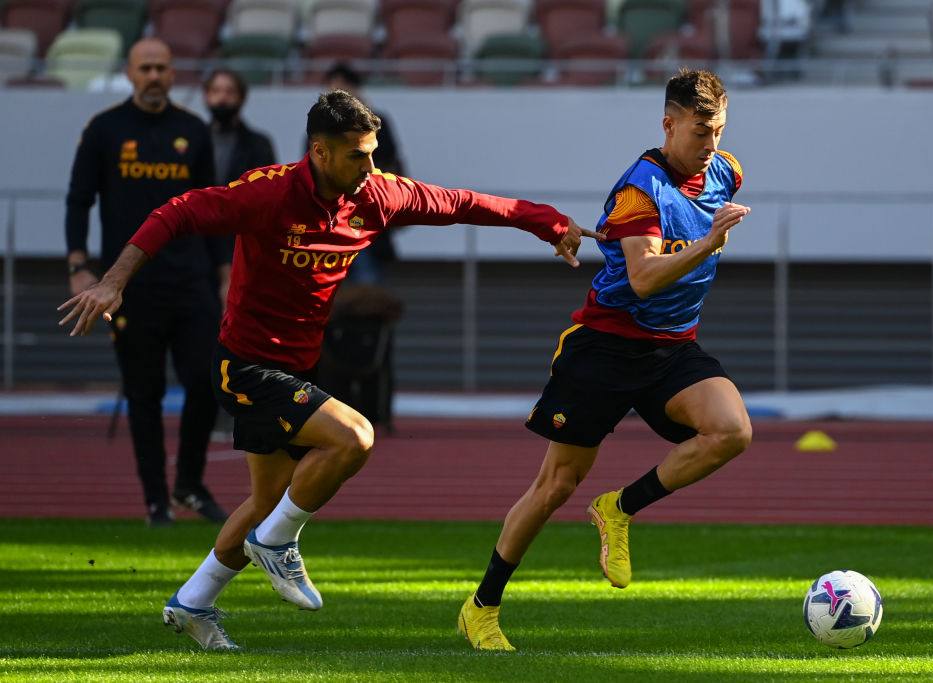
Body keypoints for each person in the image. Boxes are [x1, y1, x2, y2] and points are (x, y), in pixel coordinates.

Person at [58, 89, 601, 651]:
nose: (371, 168)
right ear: (319, 152)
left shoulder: (379, 195)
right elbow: (176, 211)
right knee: (355, 438)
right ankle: (278, 544)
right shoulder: (268, 192)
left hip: (295, 369)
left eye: (374, 153)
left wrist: (549, 222)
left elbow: (466, 203)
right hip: (244, 366)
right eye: (357, 156)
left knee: (266, 504)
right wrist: (113, 280)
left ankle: (192, 601)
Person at [456, 68, 754, 651]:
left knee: (731, 431)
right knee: (554, 485)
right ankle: (481, 607)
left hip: (670, 347)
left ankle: (619, 508)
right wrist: (707, 243)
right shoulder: (638, 191)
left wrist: (699, 234)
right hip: (606, 346)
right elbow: (641, 280)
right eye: (699, 132)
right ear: (668, 125)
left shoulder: (727, 170)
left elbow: (692, 220)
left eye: (718, 131)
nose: (711, 146)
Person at [64, 38, 229, 528]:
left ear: (174, 73)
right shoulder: (104, 129)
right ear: (130, 74)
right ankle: (156, 500)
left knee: (205, 379)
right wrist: (79, 265)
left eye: (162, 67)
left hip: (191, 280)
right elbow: (78, 200)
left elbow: (213, 211)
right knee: (144, 392)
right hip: (129, 286)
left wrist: (223, 273)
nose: (155, 75)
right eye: (146, 68)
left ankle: (191, 485)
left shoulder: (192, 130)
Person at [321, 62, 405, 285]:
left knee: (367, 285)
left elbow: (387, 162)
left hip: (366, 217)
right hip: (331, 220)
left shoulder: (376, 123)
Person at [203, 68, 277, 189]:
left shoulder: (259, 144)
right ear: (206, 97)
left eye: (230, 92)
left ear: (241, 98)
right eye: (215, 91)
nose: (222, 98)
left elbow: (267, 190)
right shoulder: (194, 138)